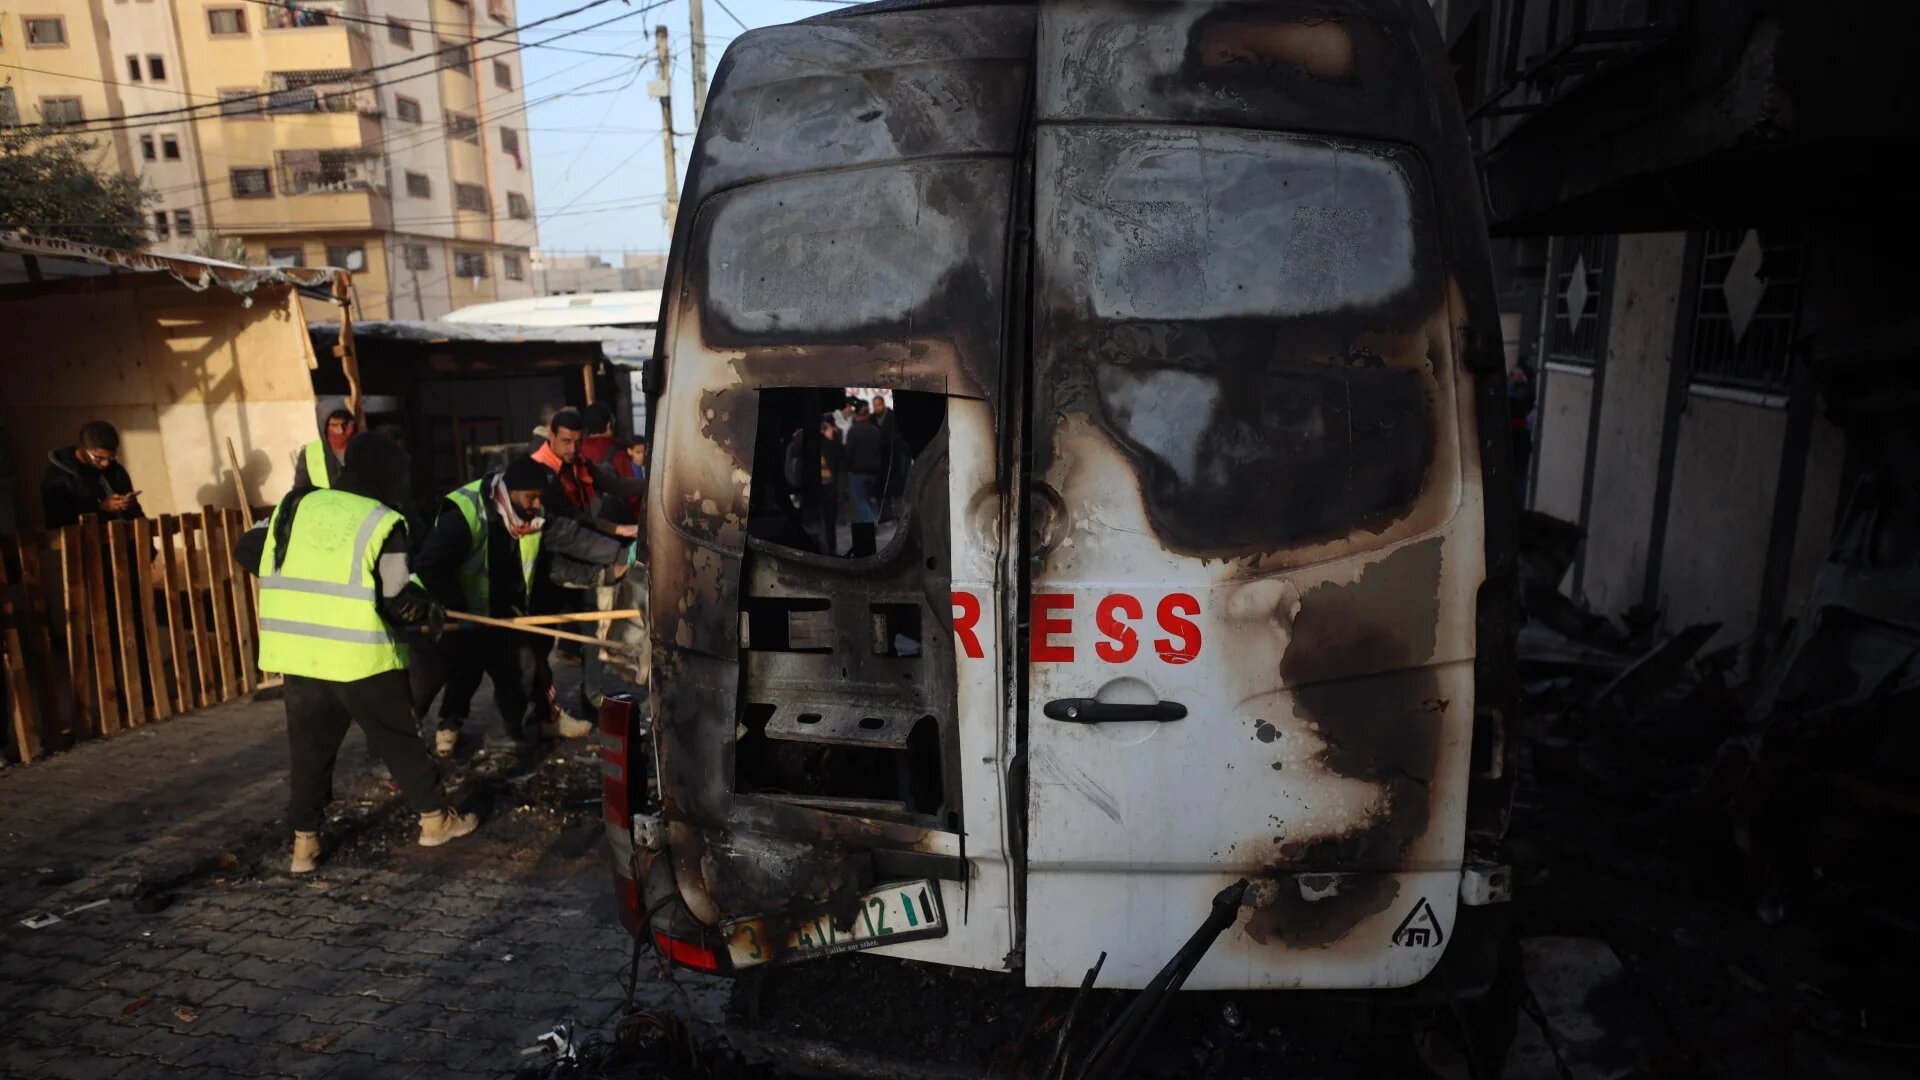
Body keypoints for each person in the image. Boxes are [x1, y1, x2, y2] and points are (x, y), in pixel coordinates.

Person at [234, 433, 476, 874]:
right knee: (399, 741)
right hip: (359, 657)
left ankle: (304, 845)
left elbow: (247, 548)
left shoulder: (294, 506)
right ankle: (435, 820)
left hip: (300, 655)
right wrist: (430, 612)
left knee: (309, 752)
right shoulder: (383, 520)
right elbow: (396, 599)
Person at [411, 457, 631, 753]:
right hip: (447, 609)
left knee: (522, 663)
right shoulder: (465, 516)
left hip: (499, 609)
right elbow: (430, 565)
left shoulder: (533, 516)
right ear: (511, 492)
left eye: (539, 497)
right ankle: (407, 741)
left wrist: (619, 557)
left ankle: (502, 733)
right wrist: (458, 608)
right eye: (531, 497)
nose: (535, 504)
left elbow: (571, 538)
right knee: (438, 676)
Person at [42, 421, 144, 530]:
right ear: (82, 449)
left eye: (111, 457)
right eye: (99, 458)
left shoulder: (116, 470)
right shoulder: (58, 477)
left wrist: (128, 505)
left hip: (126, 541)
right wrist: (101, 509)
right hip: (86, 544)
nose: (106, 463)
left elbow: (137, 516)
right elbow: (58, 523)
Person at [842, 401, 884, 557]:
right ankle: (873, 521)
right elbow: (879, 451)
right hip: (872, 472)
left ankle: (871, 525)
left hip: (857, 472)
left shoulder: (854, 431)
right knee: (867, 499)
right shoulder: (875, 430)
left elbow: (848, 452)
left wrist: (847, 467)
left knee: (861, 501)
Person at [292, 409, 356, 492]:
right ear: (324, 427)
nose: (340, 431)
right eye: (334, 425)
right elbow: (299, 492)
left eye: (345, 424)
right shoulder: (310, 453)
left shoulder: (365, 449)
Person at [1509, 355, 1537, 506]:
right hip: (1514, 440)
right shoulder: (1510, 390)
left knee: (1519, 477)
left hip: (1519, 441)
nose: (1518, 375)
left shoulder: (1528, 392)